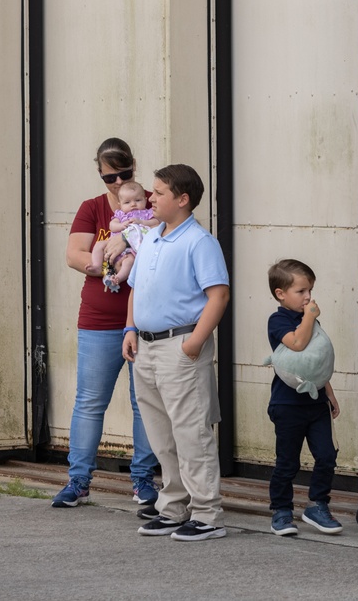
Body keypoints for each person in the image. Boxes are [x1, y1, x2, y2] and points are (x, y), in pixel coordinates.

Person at [121, 164, 231, 542]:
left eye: (158, 193)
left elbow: (218, 295)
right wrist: (130, 328)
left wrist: (195, 342)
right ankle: (173, 508)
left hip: (180, 347)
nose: (150, 198)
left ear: (182, 200)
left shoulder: (199, 242)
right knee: (160, 433)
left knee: (191, 432)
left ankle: (207, 514)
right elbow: (135, 288)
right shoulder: (151, 237)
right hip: (146, 347)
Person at [53, 138, 159, 510]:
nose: (117, 184)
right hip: (98, 320)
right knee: (89, 402)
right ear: (100, 174)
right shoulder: (93, 208)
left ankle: (143, 481)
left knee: (143, 402)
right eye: (109, 177)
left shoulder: (151, 200)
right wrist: (109, 260)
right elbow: (73, 255)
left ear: (134, 165)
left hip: (145, 320)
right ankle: (78, 481)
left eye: (124, 175)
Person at [265, 259, 342, 536]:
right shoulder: (279, 320)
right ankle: (282, 510)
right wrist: (309, 316)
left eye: (310, 290)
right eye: (301, 291)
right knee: (288, 461)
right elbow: (297, 345)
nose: (308, 297)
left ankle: (318, 505)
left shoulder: (310, 320)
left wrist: (329, 392)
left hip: (316, 402)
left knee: (326, 455)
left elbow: (316, 362)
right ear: (280, 294)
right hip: (287, 404)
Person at [89, 180, 160, 291]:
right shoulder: (121, 214)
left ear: (145, 200)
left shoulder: (147, 213)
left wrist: (142, 222)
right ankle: (97, 265)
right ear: (120, 204)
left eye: (138, 200)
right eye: (127, 202)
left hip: (131, 248)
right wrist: (121, 226)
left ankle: (118, 278)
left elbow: (156, 223)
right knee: (99, 244)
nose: (133, 204)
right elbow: (112, 225)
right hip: (112, 243)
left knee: (129, 262)